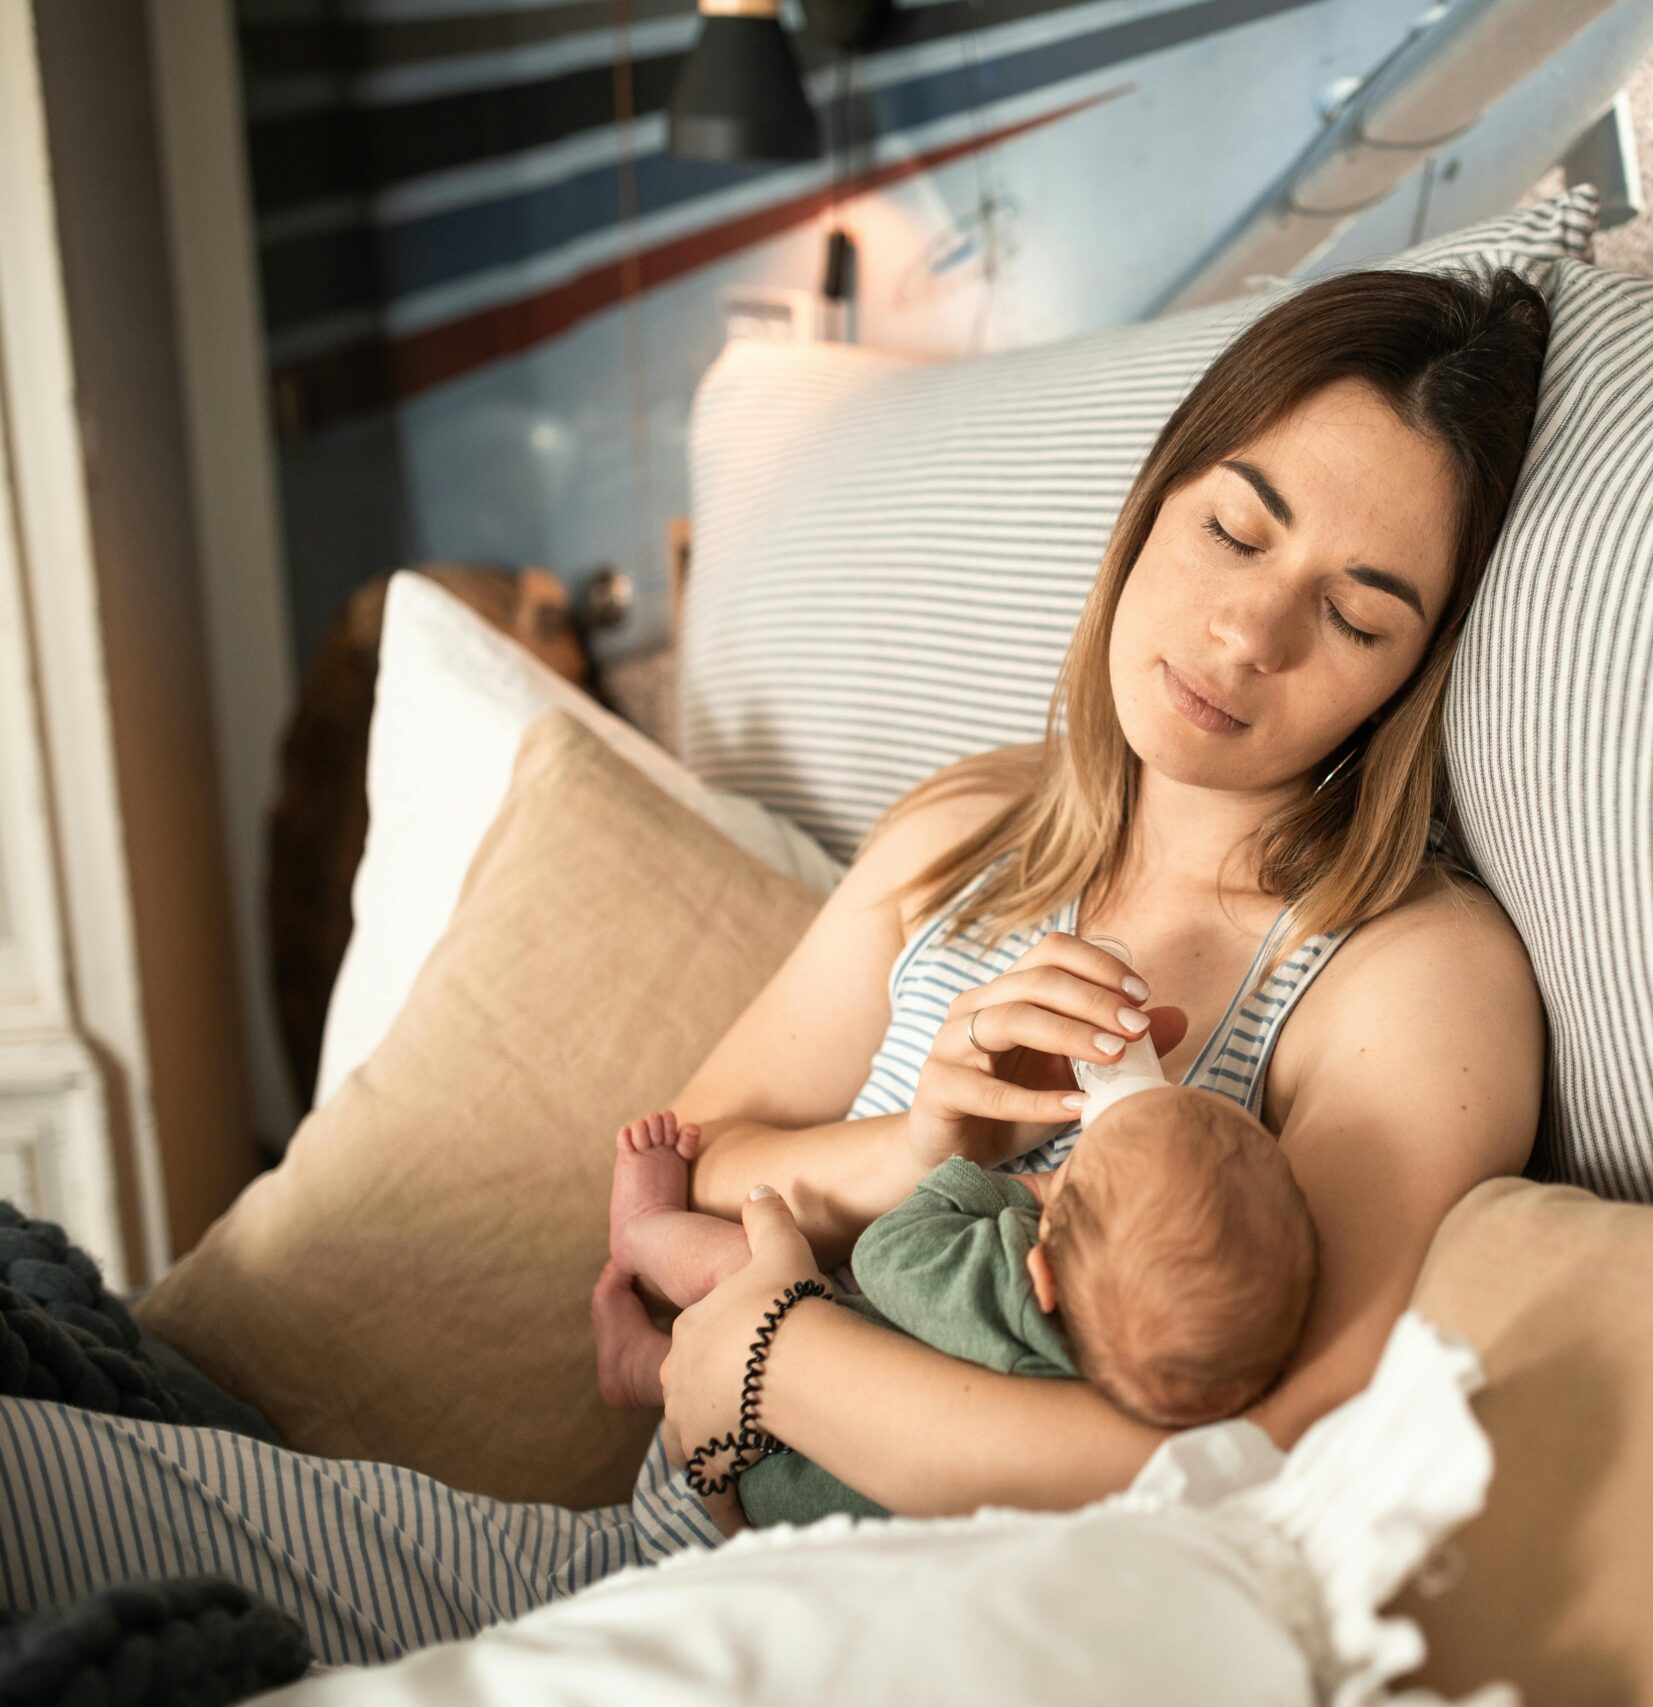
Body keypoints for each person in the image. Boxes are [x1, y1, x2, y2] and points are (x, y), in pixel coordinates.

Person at [0, 259, 1553, 1664]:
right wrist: (926, 1141)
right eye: (1234, 525)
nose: (1250, 631)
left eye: (1356, 615)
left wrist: (765, 1354)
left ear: (1411, 677)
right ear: (1154, 501)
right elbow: (695, 1155)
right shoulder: (969, 829)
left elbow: (1267, 1455)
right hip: (619, 1563)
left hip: (839, 1629)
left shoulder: (1407, 972)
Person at [592, 1086, 1319, 1529]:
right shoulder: (1140, 1387)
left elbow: (887, 1253)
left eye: (1069, 1172)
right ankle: (640, 1363)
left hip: (788, 1465)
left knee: (750, 1273)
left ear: (1043, 1271)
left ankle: (642, 1226)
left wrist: (1018, 1192)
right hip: (821, 1512)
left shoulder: (1003, 1295)